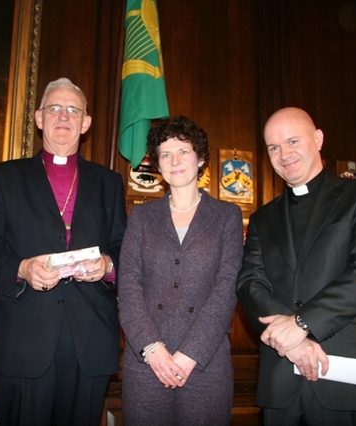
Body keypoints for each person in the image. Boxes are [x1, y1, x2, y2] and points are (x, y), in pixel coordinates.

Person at [236, 107, 356, 425]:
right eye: (274, 147)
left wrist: (302, 324)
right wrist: (292, 343)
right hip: (282, 376)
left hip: (351, 372)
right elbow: (250, 283)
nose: (284, 154)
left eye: (292, 141)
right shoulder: (263, 218)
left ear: (317, 139)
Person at [0, 77, 127, 425]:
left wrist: (107, 264)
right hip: (22, 340)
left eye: (73, 110)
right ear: (39, 117)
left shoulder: (108, 182)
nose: (63, 116)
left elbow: (122, 247)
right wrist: (22, 268)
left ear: (86, 123)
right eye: (54, 108)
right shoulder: (5, 177)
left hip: (89, 339)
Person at [118, 115, 243, 425]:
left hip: (205, 363)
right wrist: (151, 347)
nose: (175, 160)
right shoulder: (142, 217)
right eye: (166, 154)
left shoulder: (227, 215)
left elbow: (227, 288)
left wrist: (190, 354)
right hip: (147, 363)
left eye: (183, 151)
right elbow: (129, 285)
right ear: (158, 165)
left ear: (200, 158)